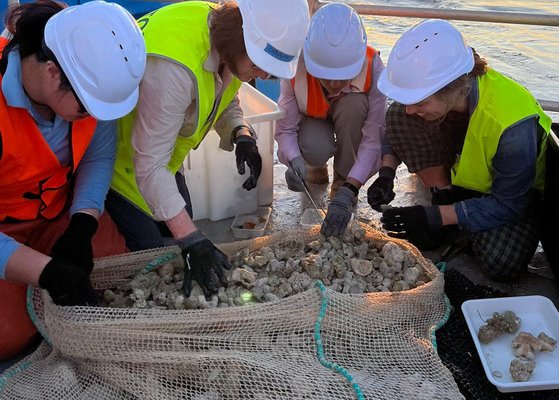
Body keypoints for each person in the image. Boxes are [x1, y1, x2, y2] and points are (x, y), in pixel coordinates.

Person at [106, 0, 310, 299]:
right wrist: (190, 238)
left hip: (164, 163)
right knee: (154, 264)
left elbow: (224, 95)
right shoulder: (174, 68)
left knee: (180, 240)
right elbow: (147, 167)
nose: (264, 76)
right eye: (259, 65)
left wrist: (241, 133)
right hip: (120, 168)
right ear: (241, 38)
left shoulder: (222, 34)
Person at [0, 0, 145, 359]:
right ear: (52, 73)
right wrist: (44, 271)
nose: (93, 117)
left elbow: (97, 157)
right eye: (86, 109)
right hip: (5, 228)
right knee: (7, 337)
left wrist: (82, 224)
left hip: (59, 211)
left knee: (120, 277)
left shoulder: (89, 87)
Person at [368, 19, 551, 281]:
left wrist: (433, 217)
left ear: (451, 89)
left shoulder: (511, 125)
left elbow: (509, 205)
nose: (411, 109)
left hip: (512, 195)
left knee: (502, 263)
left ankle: (457, 219)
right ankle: (446, 198)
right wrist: (386, 173)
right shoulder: (453, 95)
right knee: (397, 114)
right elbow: (397, 124)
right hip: (465, 180)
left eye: (420, 101)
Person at [275, 3, 386, 237]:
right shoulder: (295, 65)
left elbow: (375, 134)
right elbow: (285, 128)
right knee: (314, 147)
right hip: (312, 122)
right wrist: (292, 159)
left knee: (355, 105)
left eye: (343, 75)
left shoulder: (373, 64)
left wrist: (353, 185)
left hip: (350, 117)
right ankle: (313, 167)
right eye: (327, 76)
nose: (335, 84)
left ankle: (343, 181)